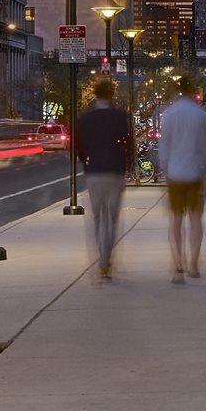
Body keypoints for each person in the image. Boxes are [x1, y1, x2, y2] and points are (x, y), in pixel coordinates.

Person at [75, 77, 133, 281]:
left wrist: (86, 161)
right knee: (112, 218)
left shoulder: (85, 118)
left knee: (98, 217)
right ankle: (106, 260)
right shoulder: (119, 117)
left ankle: (102, 258)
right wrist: (127, 166)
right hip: (114, 171)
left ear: (95, 95)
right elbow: (127, 142)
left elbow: (79, 145)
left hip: (94, 171)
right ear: (111, 95)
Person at [157, 73, 206, 284]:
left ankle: (178, 265)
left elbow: (164, 147)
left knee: (175, 222)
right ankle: (194, 264)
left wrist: (165, 169)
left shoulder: (168, 114)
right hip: (195, 173)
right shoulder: (200, 115)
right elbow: (205, 147)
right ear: (192, 92)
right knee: (196, 220)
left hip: (175, 173)